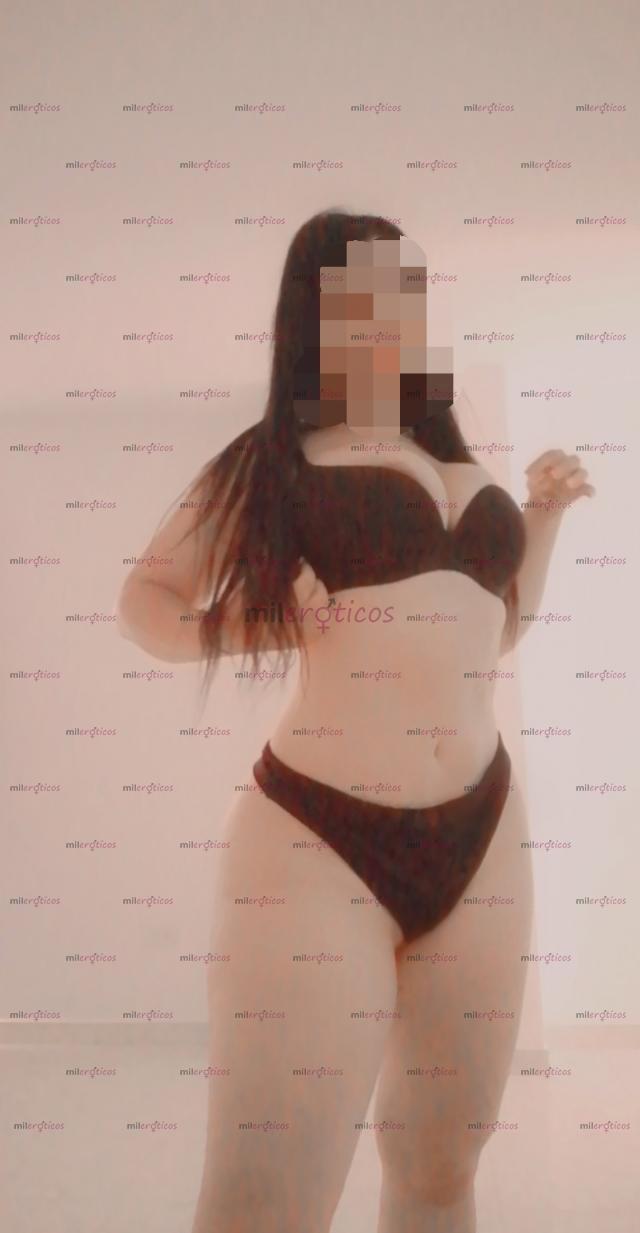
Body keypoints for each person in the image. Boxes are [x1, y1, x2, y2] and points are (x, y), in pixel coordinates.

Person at [116, 209, 595, 1233]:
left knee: (439, 1163)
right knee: (264, 1203)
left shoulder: (462, 464)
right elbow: (145, 599)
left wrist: (542, 521)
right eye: (363, 294)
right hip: (317, 840)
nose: (393, 315)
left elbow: (495, 634)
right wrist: (247, 624)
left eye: (406, 291)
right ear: (317, 313)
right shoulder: (275, 458)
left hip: (482, 832)